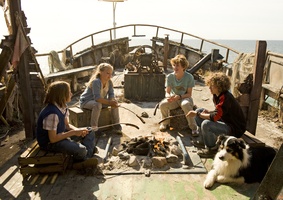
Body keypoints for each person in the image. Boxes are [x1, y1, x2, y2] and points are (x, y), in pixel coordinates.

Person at [36, 81, 98, 170]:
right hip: (50, 143)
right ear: (61, 95)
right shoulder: (52, 113)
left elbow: (67, 125)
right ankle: (85, 157)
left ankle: (85, 157)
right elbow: (53, 139)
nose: (71, 94)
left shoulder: (63, 107)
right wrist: (73, 132)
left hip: (61, 135)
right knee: (82, 150)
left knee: (89, 131)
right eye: (69, 92)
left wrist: (79, 131)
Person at [186, 72, 246, 158]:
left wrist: (198, 114)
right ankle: (204, 141)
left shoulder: (226, 98)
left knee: (206, 124)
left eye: (212, 86)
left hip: (235, 128)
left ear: (219, 87)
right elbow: (219, 112)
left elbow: (215, 117)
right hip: (225, 121)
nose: (209, 87)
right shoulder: (216, 95)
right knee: (200, 110)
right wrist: (207, 112)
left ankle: (211, 149)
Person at [159, 54, 197, 134]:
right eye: (174, 65)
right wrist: (169, 97)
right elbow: (167, 92)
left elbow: (189, 94)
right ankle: (165, 124)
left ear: (183, 67)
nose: (175, 68)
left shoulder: (189, 77)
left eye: (177, 66)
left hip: (185, 97)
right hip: (174, 98)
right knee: (162, 105)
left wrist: (179, 96)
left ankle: (193, 127)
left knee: (185, 104)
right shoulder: (170, 77)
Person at [79, 63, 121, 132]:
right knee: (97, 104)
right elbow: (97, 98)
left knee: (114, 103)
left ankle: (116, 125)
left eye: (111, 74)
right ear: (101, 72)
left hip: (99, 102)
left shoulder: (109, 82)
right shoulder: (96, 82)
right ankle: (94, 128)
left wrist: (112, 101)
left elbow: (111, 94)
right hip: (86, 101)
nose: (110, 76)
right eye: (107, 73)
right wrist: (109, 102)